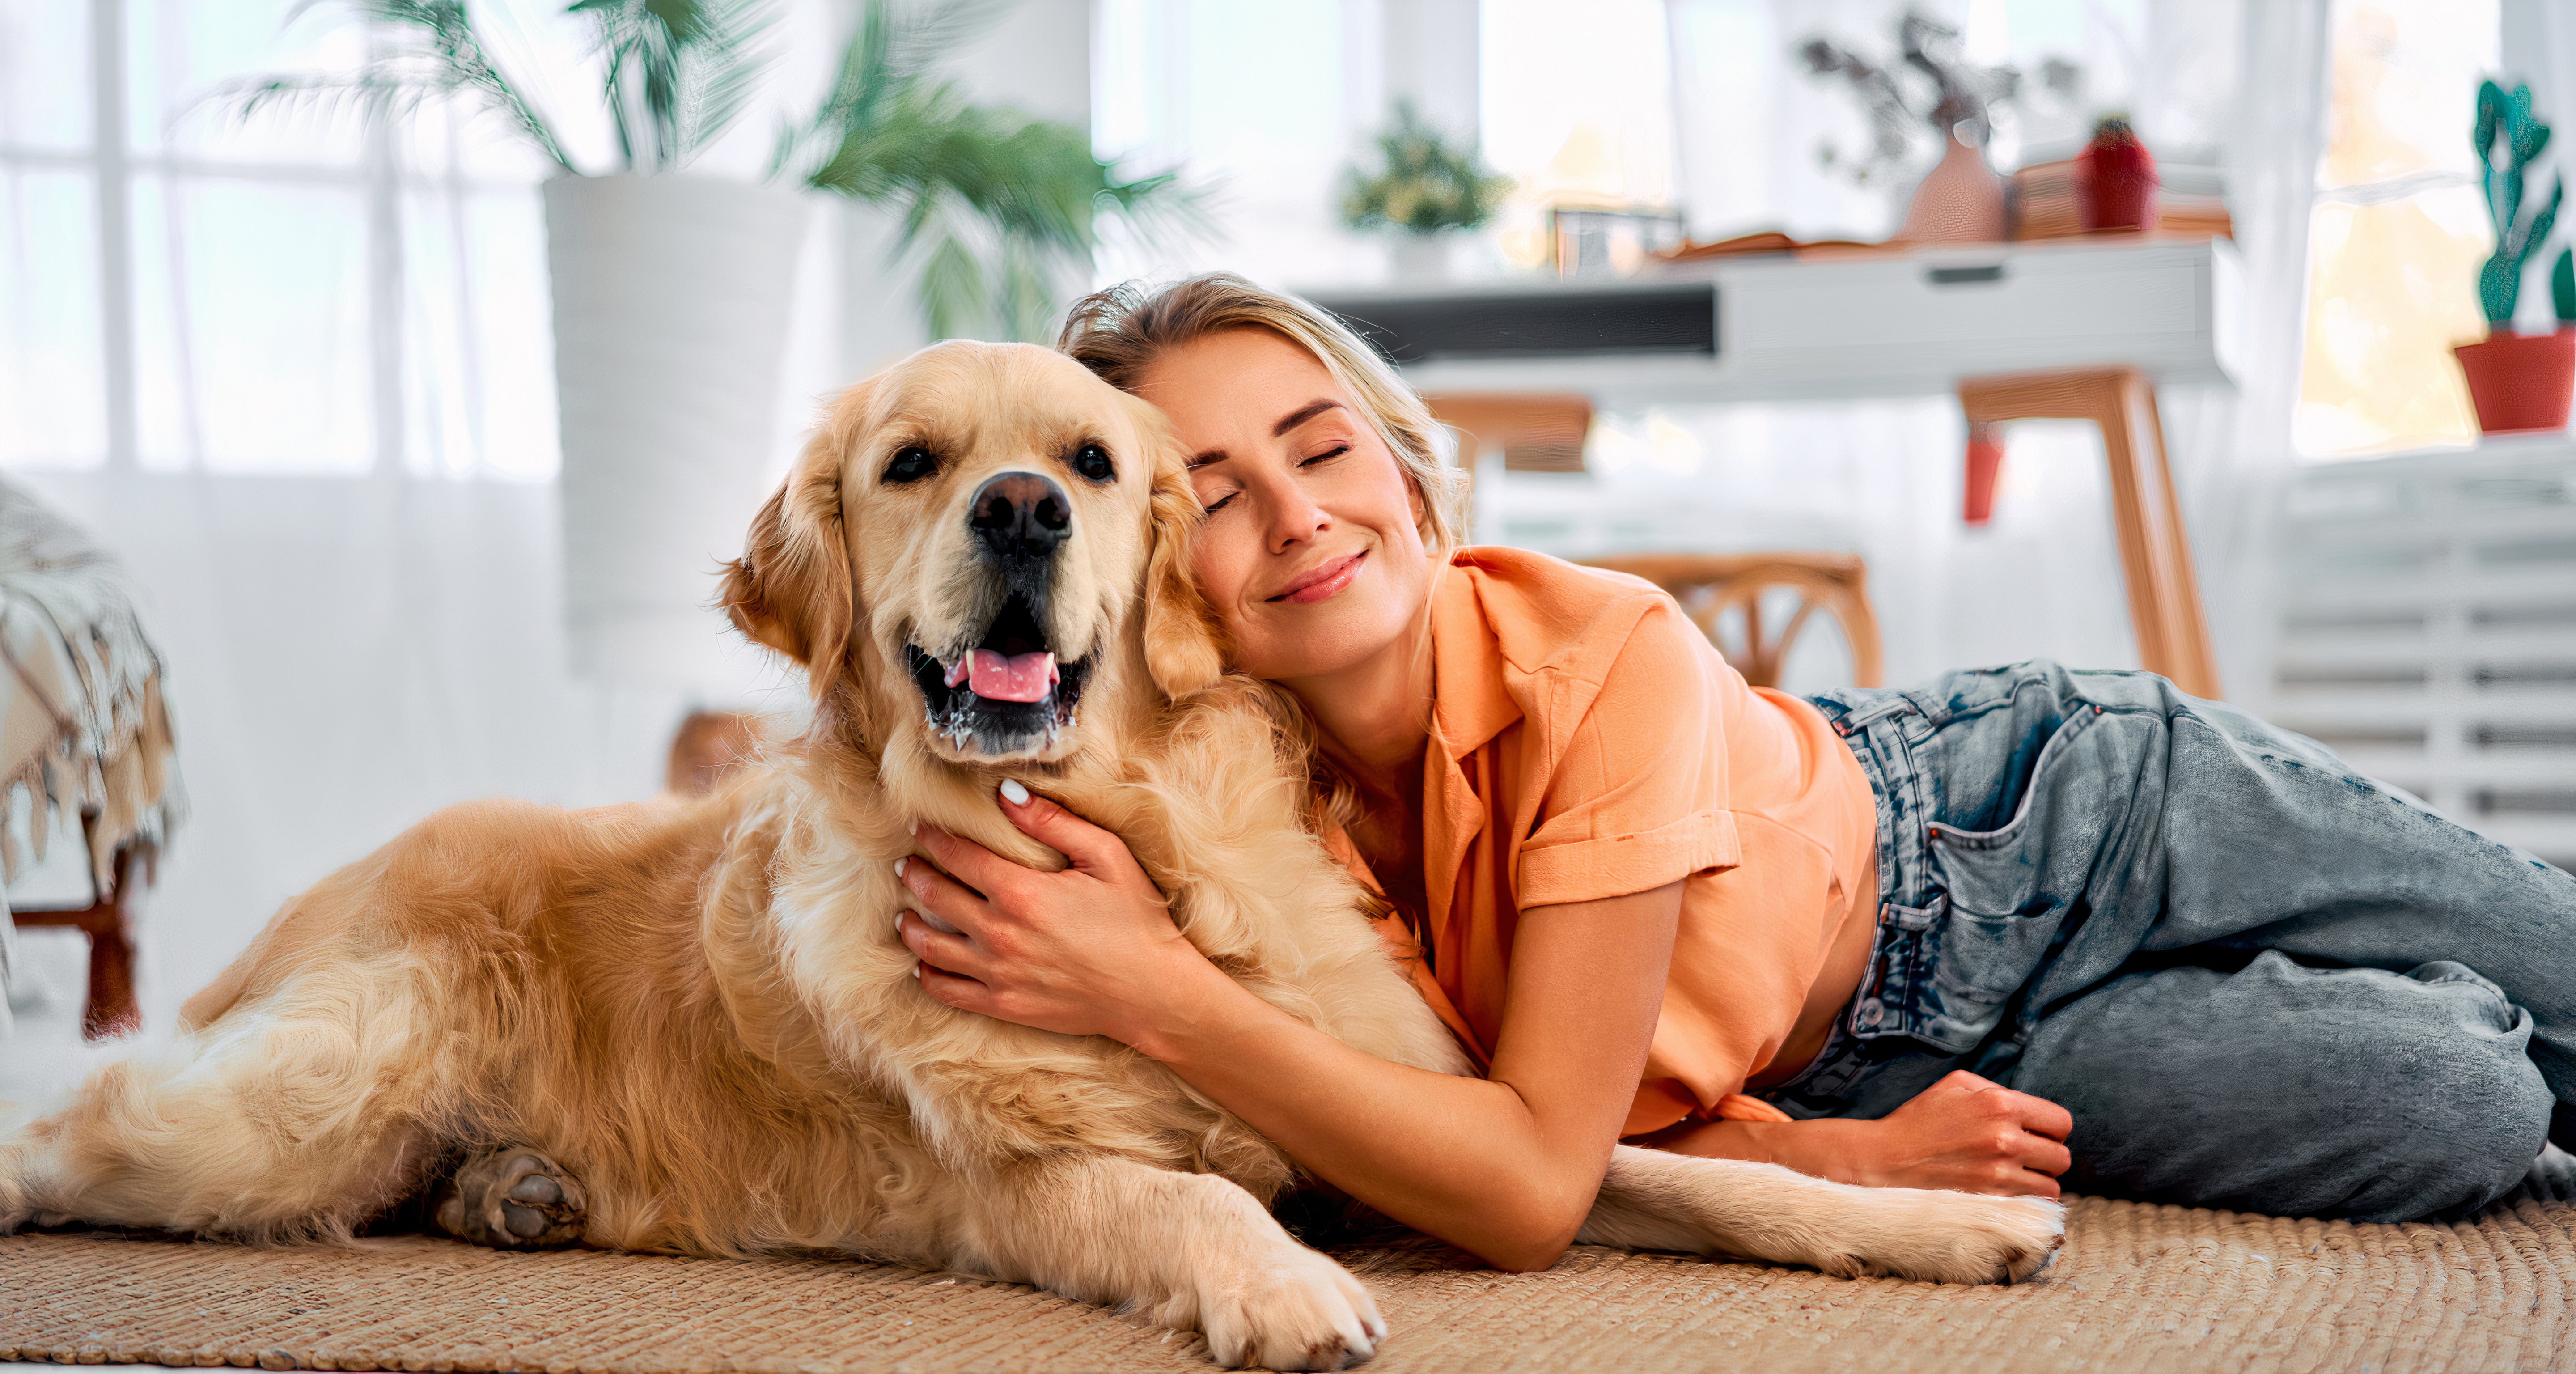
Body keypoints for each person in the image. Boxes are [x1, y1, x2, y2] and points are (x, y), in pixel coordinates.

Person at [887, 273, 2575, 1271]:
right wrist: (1819, 1150)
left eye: (1324, 451)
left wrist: (1158, 992)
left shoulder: (1600, 652)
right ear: (1148, 566)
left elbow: (1532, 1181)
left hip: (2041, 815)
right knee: (2463, 1104)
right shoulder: (1238, 816)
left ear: (1407, 475)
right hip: (1866, 1059)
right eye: (1220, 493)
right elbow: (1416, 1151)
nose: (1300, 513)